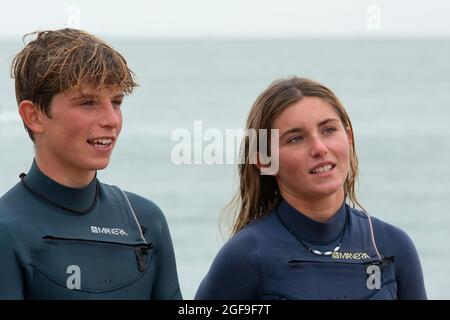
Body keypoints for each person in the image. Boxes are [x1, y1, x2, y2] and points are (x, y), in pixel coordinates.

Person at [195, 77, 427, 300]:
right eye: (296, 139)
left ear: (349, 136)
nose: (319, 148)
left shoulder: (391, 245)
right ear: (265, 160)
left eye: (328, 130)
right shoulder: (245, 256)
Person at [0, 29, 181, 299]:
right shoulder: (6, 228)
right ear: (34, 116)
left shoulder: (145, 221)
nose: (112, 120)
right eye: (87, 103)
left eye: (116, 102)